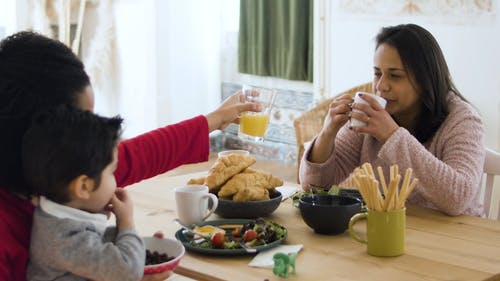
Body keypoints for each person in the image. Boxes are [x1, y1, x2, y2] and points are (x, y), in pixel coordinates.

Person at [0, 31, 260, 281]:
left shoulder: (59, 171)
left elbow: (141, 154)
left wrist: (213, 120)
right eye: (85, 119)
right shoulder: (68, 177)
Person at [299, 23, 485, 217]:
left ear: (425, 80)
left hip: (457, 237)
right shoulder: (371, 114)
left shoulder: (463, 120)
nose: (381, 86)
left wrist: (391, 135)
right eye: (378, 73)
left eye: (395, 76)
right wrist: (327, 133)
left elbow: (458, 197)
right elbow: (315, 187)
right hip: (390, 228)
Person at [23, 106, 145, 281]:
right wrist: (127, 224)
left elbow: (94, 243)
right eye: (112, 172)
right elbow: (128, 272)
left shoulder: (53, 215)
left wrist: (129, 240)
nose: (115, 180)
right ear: (83, 187)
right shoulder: (65, 239)